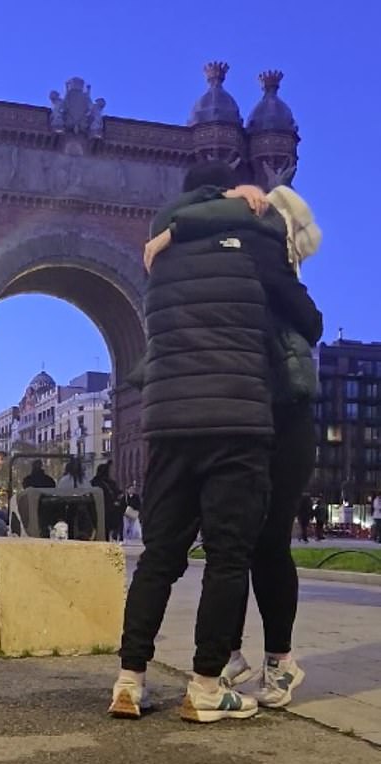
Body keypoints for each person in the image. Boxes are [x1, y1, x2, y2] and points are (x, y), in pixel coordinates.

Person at [110, 161, 321, 723]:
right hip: (241, 420)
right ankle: (210, 682)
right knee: (236, 554)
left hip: (172, 425)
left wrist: (178, 228)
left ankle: (129, 680)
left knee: (159, 557)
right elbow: (309, 320)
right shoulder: (253, 246)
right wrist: (250, 201)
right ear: (231, 199)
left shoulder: (161, 257)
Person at [91, 461, 125, 541]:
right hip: (109, 512)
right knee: (105, 531)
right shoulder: (110, 483)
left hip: (95, 511)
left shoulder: (94, 482)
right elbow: (118, 494)